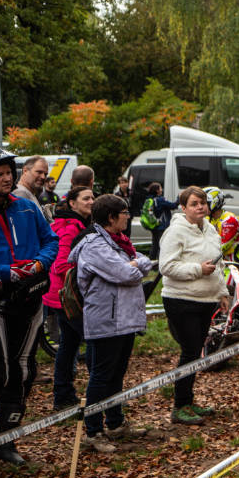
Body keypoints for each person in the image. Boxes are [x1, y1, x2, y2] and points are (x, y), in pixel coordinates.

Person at [72, 194, 153, 452]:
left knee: (117, 374)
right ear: (111, 217)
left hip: (125, 320)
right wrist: (133, 265)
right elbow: (127, 273)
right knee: (101, 376)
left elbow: (144, 262)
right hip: (105, 321)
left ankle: (115, 423)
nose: (128, 216)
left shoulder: (120, 242)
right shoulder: (95, 245)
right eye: (125, 212)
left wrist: (135, 263)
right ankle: (93, 433)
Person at [0, 147, 57, 465]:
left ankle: (5, 441)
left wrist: (36, 265)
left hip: (31, 298)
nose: (7, 178)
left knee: (24, 371)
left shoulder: (27, 209)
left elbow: (52, 241)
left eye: (9, 173)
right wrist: (6, 273)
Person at [159, 186, 227, 426]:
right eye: (194, 203)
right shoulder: (175, 231)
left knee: (195, 351)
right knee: (189, 352)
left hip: (206, 300)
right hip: (181, 300)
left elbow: (218, 264)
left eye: (203, 203)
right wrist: (197, 269)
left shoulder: (210, 230)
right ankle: (179, 406)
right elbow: (166, 266)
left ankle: (188, 400)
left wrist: (222, 292)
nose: (200, 207)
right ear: (184, 208)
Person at [41, 186, 94, 410]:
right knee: (93, 342)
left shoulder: (78, 224)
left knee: (69, 344)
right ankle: (98, 395)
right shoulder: (69, 228)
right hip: (66, 295)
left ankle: (63, 396)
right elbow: (61, 262)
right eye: (86, 198)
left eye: (93, 197)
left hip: (61, 294)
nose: (91, 201)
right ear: (72, 203)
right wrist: (90, 270)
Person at [203, 186, 239, 273]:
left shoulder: (229, 220)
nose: (201, 206)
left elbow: (221, 247)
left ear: (214, 202)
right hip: (225, 264)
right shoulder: (208, 219)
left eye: (204, 203)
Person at [144, 182, 179, 260]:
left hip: (154, 225)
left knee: (155, 244)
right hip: (161, 226)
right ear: (157, 190)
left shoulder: (149, 199)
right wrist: (179, 198)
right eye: (160, 188)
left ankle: (151, 262)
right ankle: (160, 263)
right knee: (162, 245)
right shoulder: (160, 200)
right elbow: (173, 205)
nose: (161, 189)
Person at [14, 155, 53, 222]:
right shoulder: (20, 193)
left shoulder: (29, 193)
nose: (43, 177)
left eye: (45, 174)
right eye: (39, 172)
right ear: (25, 171)